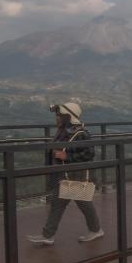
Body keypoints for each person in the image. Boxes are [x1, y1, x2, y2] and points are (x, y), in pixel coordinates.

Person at [27, 102, 103, 245]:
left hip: (75, 178)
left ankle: (95, 230)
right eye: (57, 116)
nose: (57, 118)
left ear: (69, 117)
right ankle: (48, 236)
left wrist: (67, 157)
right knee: (59, 204)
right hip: (66, 177)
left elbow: (89, 153)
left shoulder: (81, 134)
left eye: (60, 116)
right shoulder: (65, 132)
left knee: (82, 204)